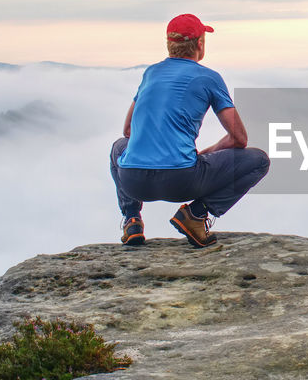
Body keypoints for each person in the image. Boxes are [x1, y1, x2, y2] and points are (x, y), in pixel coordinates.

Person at [110, 14, 269, 248]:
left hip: (133, 181)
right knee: (258, 161)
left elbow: (127, 131)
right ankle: (195, 215)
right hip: (181, 181)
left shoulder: (151, 73)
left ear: (169, 44)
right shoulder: (209, 78)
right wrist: (208, 153)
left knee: (118, 148)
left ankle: (132, 219)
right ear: (200, 44)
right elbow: (239, 138)